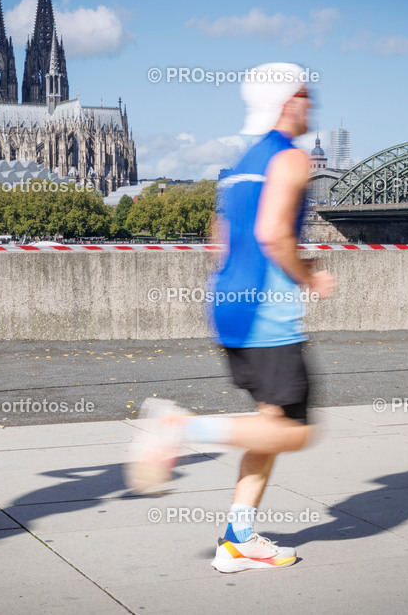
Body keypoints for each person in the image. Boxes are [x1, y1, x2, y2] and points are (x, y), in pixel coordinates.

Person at [126, 63, 335, 573]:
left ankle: (237, 539)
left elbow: (221, 238)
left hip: (227, 302)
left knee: (267, 424)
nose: (313, 103)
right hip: (268, 309)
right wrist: (308, 276)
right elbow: (272, 234)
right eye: (306, 94)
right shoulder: (290, 158)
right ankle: (180, 428)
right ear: (287, 101)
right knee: (295, 431)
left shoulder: (241, 163)